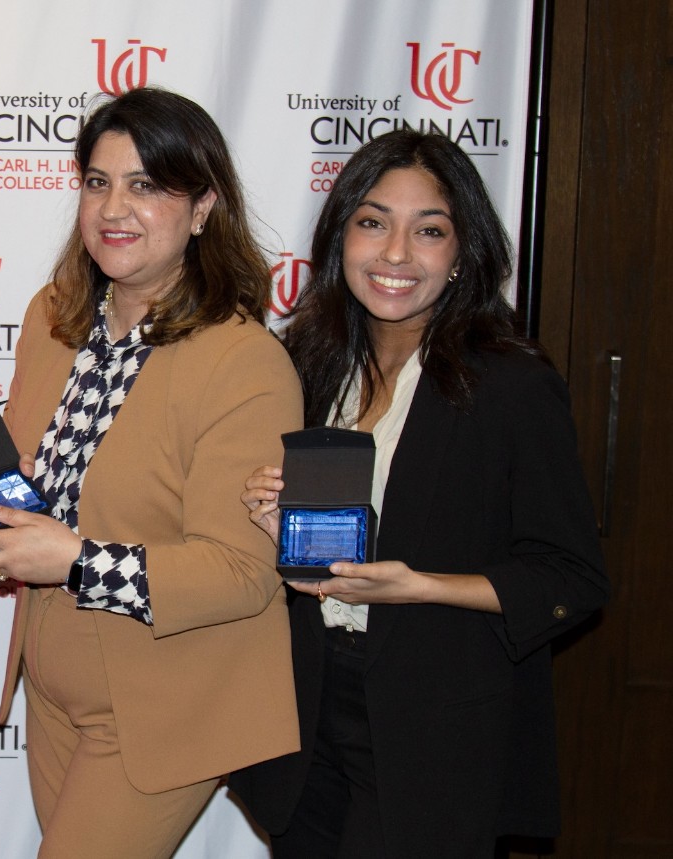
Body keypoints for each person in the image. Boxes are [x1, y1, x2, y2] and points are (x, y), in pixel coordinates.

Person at [0, 87, 303, 858]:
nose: (114, 206)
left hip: (167, 694)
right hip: (52, 676)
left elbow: (243, 570)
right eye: (98, 181)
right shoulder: (54, 315)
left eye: (146, 184)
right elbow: (35, 466)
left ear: (202, 207)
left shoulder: (245, 362)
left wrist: (71, 558)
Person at [227, 130, 609, 858]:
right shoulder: (304, 363)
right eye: (373, 222)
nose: (395, 253)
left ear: (463, 253)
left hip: (432, 726)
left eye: (428, 230)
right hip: (303, 712)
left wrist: (420, 585)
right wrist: (272, 516)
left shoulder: (511, 385)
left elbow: (574, 577)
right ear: (341, 237)